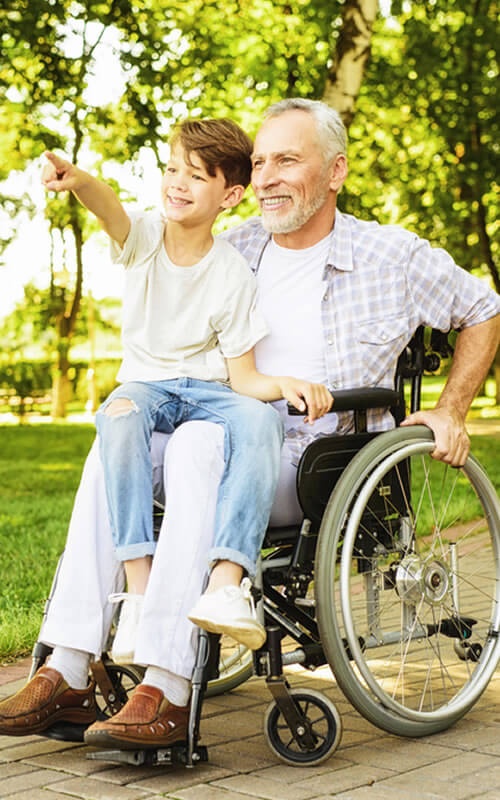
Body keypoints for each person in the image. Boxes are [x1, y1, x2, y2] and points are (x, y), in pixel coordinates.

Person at [0, 98, 498, 753]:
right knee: (113, 438)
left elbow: (483, 308)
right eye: (259, 162)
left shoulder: (390, 255)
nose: (266, 176)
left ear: (335, 171)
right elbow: (137, 235)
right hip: (211, 431)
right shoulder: (230, 247)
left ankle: (169, 684)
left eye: (287, 160)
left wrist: (450, 408)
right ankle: (66, 666)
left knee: (200, 446)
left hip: (316, 462)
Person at [41, 118, 332, 665]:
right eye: (173, 169)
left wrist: (283, 386)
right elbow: (110, 209)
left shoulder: (232, 272)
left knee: (260, 419)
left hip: (207, 391)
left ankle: (228, 584)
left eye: (196, 176)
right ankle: (139, 588)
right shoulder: (146, 236)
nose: (177, 183)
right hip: (146, 387)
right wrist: (78, 179)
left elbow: (242, 378)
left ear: (230, 196)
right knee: (119, 415)